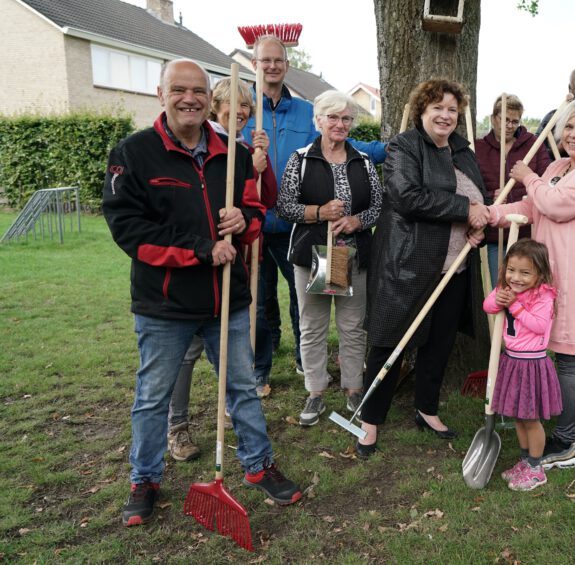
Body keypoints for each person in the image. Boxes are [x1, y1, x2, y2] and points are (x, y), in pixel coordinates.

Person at [103, 59, 301, 527]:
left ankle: (258, 466)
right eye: (179, 89)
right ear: (161, 94)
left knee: (242, 389)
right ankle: (145, 478)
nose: (189, 98)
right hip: (165, 305)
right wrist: (199, 249)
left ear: (208, 97)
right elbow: (129, 230)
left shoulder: (228, 152)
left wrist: (244, 223)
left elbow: (255, 210)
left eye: (197, 90)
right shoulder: (134, 153)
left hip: (226, 301)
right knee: (153, 396)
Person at [488, 98, 575, 471]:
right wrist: (489, 214)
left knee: (572, 356)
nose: (573, 135)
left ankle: (564, 444)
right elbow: (533, 208)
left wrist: (526, 175)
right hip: (563, 274)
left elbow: (557, 204)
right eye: (568, 127)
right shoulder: (559, 166)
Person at [354, 79, 489, 458]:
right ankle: (369, 419)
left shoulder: (462, 150)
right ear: (421, 112)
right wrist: (466, 210)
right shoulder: (404, 146)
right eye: (437, 108)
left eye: (452, 109)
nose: (445, 115)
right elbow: (406, 196)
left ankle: (426, 409)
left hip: (456, 265)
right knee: (388, 339)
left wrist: (477, 226)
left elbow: (480, 197)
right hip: (409, 263)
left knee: (439, 342)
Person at [242, 35, 386, 378]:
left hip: (295, 232)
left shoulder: (308, 111)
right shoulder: (245, 109)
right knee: (258, 300)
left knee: (302, 299)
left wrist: (393, 148)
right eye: (265, 61)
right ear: (254, 65)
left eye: (278, 60)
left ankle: (305, 366)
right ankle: (260, 369)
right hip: (254, 221)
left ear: (287, 65)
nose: (272, 66)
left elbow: (344, 140)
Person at [165, 77, 278, 462]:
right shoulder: (196, 145)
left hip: (237, 265)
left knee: (233, 349)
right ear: (215, 106)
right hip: (193, 269)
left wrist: (260, 166)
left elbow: (266, 202)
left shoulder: (244, 150)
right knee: (187, 351)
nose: (242, 111)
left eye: (247, 105)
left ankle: (236, 414)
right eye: (234, 103)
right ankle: (176, 426)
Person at [276, 90, 383, 426]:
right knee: (312, 326)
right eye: (333, 117)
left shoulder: (363, 161)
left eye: (346, 118)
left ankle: (353, 388)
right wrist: (318, 212)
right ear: (318, 120)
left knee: (352, 327)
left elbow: (377, 206)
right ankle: (315, 391)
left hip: (351, 254)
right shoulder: (301, 159)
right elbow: (285, 206)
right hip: (312, 254)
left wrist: (357, 220)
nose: (340, 124)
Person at [484, 239, 561, 492]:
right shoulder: (507, 288)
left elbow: (538, 325)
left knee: (530, 418)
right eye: (511, 270)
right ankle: (525, 460)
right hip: (513, 362)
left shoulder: (543, 296)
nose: (516, 277)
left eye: (525, 272)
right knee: (518, 415)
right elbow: (488, 305)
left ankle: (536, 468)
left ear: (540, 273)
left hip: (532, 364)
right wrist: (499, 298)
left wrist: (513, 306)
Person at [474, 94, 551, 284]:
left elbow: (546, 181)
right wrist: (490, 196)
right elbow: (472, 187)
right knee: (500, 287)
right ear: (493, 118)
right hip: (496, 235)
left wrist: (520, 193)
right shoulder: (479, 148)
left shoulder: (533, 145)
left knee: (525, 288)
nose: (509, 125)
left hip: (527, 233)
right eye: (505, 119)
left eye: (514, 121)